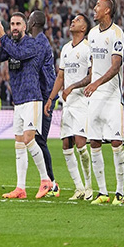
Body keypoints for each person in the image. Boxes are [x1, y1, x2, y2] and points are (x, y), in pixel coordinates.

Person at [0, 12, 52, 199]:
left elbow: (17, 53)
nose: (15, 27)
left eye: (18, 23)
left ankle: (45, 181)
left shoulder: (32, 44)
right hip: (18, 101)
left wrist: (3, 36)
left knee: (29, 139)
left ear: (25, 27)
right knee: (19, 144)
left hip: (32, 99)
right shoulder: (11, 43)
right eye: (12, 24)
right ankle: (21, 188)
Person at [44, 13, 93, 200]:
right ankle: (79, 187)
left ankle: (89, 187)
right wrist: (51, 98)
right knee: (66, 145)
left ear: (84, 28)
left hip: (82, 102)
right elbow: (60, 77)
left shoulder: (88, 48)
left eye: (78, 20)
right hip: (67, 104)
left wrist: (72, 87)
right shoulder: (65, 48)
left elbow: (91, 75)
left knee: (81, 145)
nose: (73, 21)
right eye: (72, 19)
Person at [84, 0, 124, 205]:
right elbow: (93, 66)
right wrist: (87, 83)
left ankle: (119, 192)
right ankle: (103, 192)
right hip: (95, 95)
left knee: (116, 143)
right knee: (94, 142)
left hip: (111, 96)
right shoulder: (91, 34)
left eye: (98, 6)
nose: (94, 8)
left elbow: (115, 66)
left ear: (107, 10)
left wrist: (96, 83)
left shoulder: (117, 33)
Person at [28, 10, 59, 197]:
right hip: (43, 95)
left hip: (46, 96)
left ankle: (51, 182)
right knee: (38, 140)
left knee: (40, 140)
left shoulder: (39, 42)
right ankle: (49, 181)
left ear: (33, 22)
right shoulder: (39, 41)